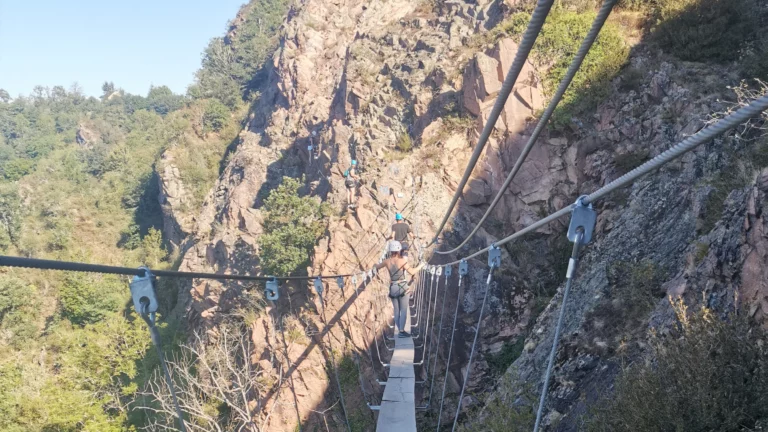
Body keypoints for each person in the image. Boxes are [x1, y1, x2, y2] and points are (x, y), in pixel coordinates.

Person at [375, 241, 423, 337]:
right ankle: (401, 331)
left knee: (396, 311)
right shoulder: (402, 261)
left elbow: (377, 266)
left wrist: (373, 267)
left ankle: (400, 330)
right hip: (402, 287)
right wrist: (421, 265)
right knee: (404, 310)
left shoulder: (386, 261)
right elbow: (412, 271)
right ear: (399, 250)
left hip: (393, 288)